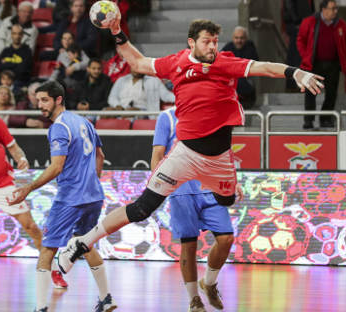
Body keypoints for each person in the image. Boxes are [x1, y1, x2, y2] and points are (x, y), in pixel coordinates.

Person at [54, 19, 323, 277]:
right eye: (207, 42)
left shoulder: (225, 62)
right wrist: (117, 32)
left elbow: (264, 67)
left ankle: (210, 281)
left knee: (227, 201)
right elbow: (136, 61)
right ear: (191, 43)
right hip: (184, 155)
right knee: (141, 208)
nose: (212, 47)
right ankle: (81, 242)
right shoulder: (176, 63)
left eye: (215, 42)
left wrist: (294, 71)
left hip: (218, 160)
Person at [8, 81, 117, 312]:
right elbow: (100, 155)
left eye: (44, 100)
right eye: (38, 101)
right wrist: (92, 181)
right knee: (85, 244)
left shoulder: (58, 128)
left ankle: (40, 310)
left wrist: (28, 188)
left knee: (47, 249)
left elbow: (56, 166)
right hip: (93, 196)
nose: (40, 106)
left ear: (58, 99)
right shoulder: (84, 122)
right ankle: (105, 297)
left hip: (70, 198)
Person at [152, 107, 239, 312]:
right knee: (189, 246)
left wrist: (231, 179)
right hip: (181, 189)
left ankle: (208, 283)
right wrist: (156, 189)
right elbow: (157, 155)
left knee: (226, 238)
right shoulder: (167, 117)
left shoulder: (211, 111)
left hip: (210, 186)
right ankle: (194, 300)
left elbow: (222, 150)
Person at [0, 115, 68, 288]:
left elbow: (14, 149)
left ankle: (54, 270)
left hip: (2, 185)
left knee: (31, 227)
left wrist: (22, 159)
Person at [297, 0, 346, 129]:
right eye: (333, 8)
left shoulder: (340, 24)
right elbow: (300, 40)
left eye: (336, 8)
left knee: (331, 93)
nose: (335, 11)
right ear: (323, 9)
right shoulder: (309, 22)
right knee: (310, 93)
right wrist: (305, 56)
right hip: (313, 64)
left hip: (333, 64)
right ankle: (308, 121)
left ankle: (325, 119)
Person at [221, 26, 259, 109]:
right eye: (236, 38)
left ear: (246, 38)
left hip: (246, 90)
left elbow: (253, 64)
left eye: (242, 38)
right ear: (232, 38)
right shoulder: (228, 48)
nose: (239, 41)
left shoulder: (250, 47)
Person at [106, 69, 175, 113]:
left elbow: (166, 96)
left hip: (143, 111)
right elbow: (112, 98)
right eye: (134, 66)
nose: (136, 69)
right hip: (121, 109)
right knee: (106, 111)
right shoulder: (121, 80)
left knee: (130, 112)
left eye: (138, 67)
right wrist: (117, 105)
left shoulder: (154, 81)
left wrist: (181, 98)